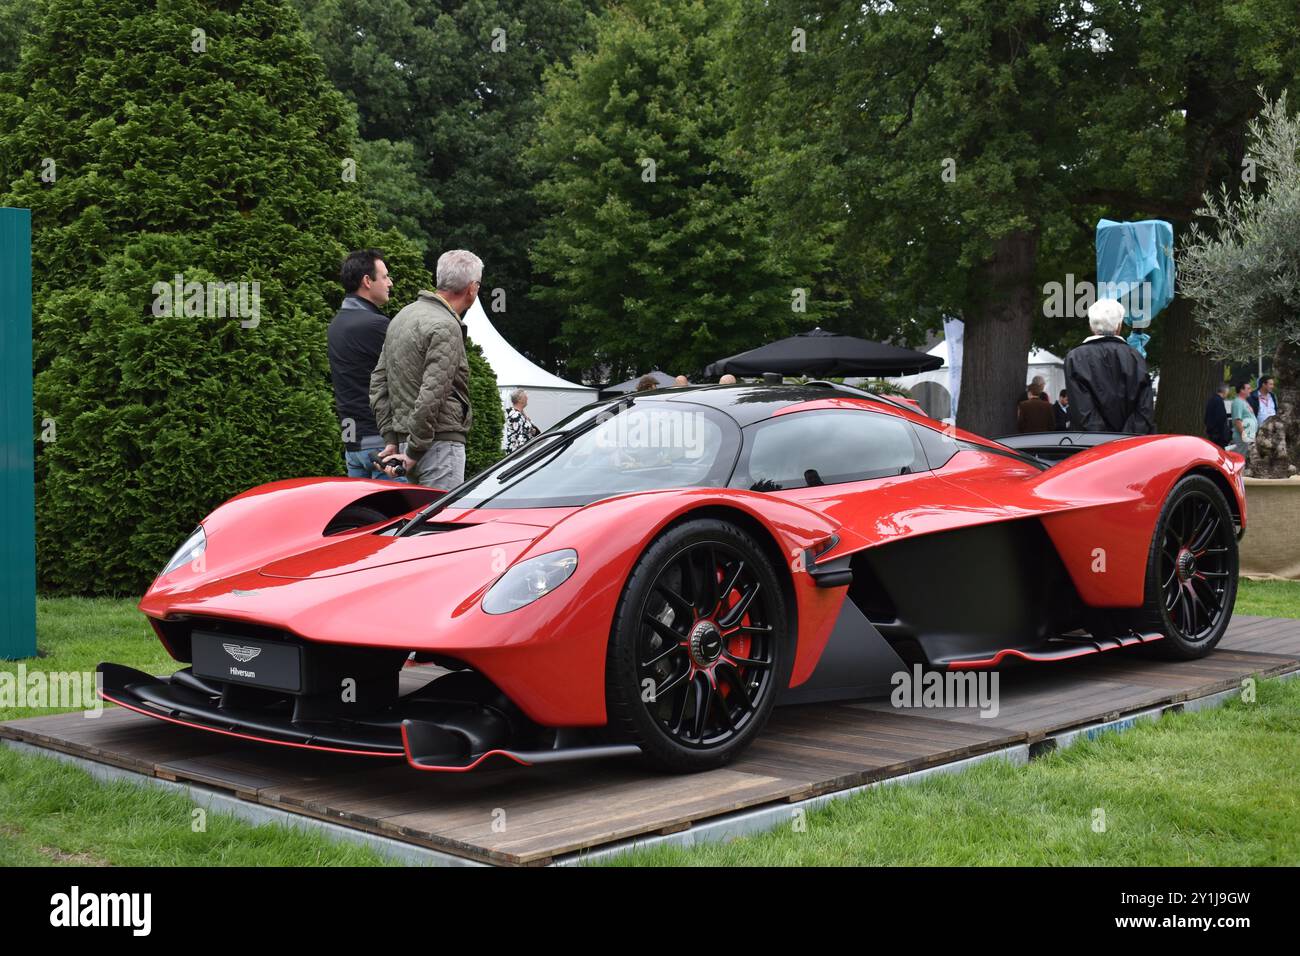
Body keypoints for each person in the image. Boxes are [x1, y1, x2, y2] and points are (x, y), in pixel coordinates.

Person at [370, 250, 481, 489]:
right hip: (438, 445)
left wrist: (392, 439)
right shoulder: (446, 325)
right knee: (439, 522)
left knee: (419, 522)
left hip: (407, 443)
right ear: (472, 288)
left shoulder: (402, 317)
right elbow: (433, 393)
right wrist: (414, 449)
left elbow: (378, 382)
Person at [328, 249, 398, 479]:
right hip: (381, 445)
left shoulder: (336, 324)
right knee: (403, 515)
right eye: (385, 276)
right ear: (367, 281)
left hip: (352, 444)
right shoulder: (376, 325)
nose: (390, 282)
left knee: (369, 515)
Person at [1063, 299, 1155, 433]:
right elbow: (1144, 409)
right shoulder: (1135, 357)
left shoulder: (1075, 358)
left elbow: (1082, 409)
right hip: (1131, 446)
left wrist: (1102, 441)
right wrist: (1124, 440)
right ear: (1119, 326)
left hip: (1091, 447)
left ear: (1091, 326)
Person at [504, 388, 539, 453]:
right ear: (519, 400)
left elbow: (524, 430)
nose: (527, 398)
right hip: (519, 454)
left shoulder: (520, 413)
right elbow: (520, 439)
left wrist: (531, 431)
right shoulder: (515, 416)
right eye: (525, 396)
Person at [1230, 379, 1258, 454]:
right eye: (1248, 388)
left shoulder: (1244, 401)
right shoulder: (1238, 402)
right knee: (1243, 459)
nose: (1250, 390)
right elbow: (1237, 421)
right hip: (1242, 438)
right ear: (1242, 390)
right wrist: (1245, 436)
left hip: (1248, 437)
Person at [1204, 383, 1233, 448]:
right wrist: (1226, 435)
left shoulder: (1211, 399)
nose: (1227, 394)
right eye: (1228, 392)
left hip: (1212, 433)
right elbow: (1221, 419)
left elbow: (1206, 418)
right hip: (1218, 436)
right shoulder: (1219, 401)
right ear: (1225, 391)